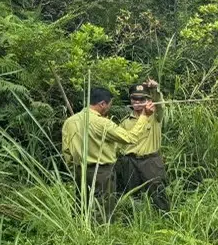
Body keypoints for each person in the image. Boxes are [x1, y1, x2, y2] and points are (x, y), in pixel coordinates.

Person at [61, 87, 154, 219]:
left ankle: (79, 230)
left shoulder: (70, 121)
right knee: (103, 207)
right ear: (102, 104)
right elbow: (130, 138)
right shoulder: (102, 123)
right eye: (109, 105)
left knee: (82, 203)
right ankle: (100, 234)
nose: (109, 108)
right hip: (102, 172)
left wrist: (73, 167)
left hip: (80, 170)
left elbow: (66, 150)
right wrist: (144, 116)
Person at [117, 79, 170, 212]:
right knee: (131, 193)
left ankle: (165, 218)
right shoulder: (125, 121)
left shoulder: (154, 116)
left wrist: (155, 89)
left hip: (150, 161)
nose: (138, 102)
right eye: (135, 99)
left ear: (148, 100)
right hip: (129, 161)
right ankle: (134, 221)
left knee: (158, 192)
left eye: (142, 99)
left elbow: (160, 105)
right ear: (130, 100)